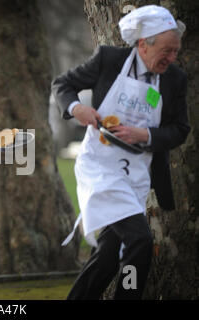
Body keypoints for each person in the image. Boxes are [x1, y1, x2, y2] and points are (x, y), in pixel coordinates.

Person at [52, 5, 190, 299]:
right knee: (139, 241)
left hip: (136, 175)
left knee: (108, 256)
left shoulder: (174, 79)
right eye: (166, 50)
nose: (172, 58)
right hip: (101, 168)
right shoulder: (109, 60)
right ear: (143, 44)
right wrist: (77, 108)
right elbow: (64, 85)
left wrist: (146, 134)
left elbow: (180, 129)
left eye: (175, 51)